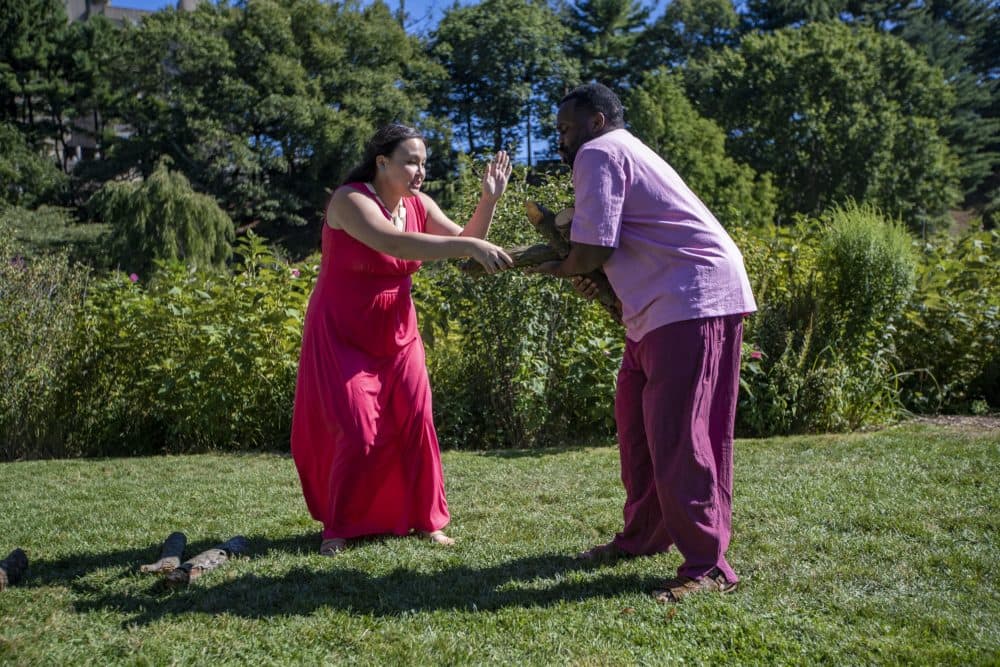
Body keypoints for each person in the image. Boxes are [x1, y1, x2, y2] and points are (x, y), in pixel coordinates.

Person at [530, 83, 757, 602]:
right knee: (637, 426)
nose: (560, 139)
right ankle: (644, 538)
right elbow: (607, 248)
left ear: (597, 122)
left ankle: (706, 566)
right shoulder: (615, 153)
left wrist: (563, 267)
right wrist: (586, 271)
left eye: (566, 128)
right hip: (657, 308)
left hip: (692, 297)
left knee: (679, 434)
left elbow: (595, 246)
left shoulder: (601, 152)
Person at [291, 124, 513, 555]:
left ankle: (428, 521)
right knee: (357, 430)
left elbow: (467, 241)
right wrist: (467, 246)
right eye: (411, 161)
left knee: (417, 421)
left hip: (398, 331)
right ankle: (339, 527)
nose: (420, 171)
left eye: (423, 163)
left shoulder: (418, 204)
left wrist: (489, 199)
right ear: (382, 163)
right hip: (342, 333)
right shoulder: (349, 200)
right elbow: (392, 241)